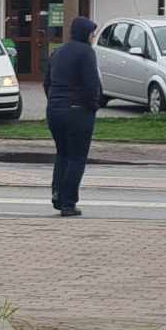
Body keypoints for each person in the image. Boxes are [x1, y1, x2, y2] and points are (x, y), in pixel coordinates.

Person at [43, 16, 101, 217]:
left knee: (62, 154)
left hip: (55, 111)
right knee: (77, 157)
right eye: (92, 34)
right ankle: (68, 203)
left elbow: (47, 83)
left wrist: (54, 102)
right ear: (85, 34)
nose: (93, 38)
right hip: (78, 111)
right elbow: (92, 84)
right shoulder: (86, 52)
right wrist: (93, 106)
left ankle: (57, 195)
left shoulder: (58, 52)